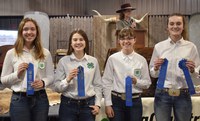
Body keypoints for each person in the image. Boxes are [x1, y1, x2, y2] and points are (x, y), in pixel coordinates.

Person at [1, 18, 54, 121]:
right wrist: (17, 74)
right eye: (26, 29)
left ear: (37, 32)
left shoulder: (45, 53)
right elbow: (3, 80)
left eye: (32, 29)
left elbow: (51, 76)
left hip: (40, 99)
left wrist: (43, 82)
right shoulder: (11, 53)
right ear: (21, 32)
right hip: (19, 100)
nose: (29, 32)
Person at [149, 13, 200, 121]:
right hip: (162, 94)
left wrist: (192, 70)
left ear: (183, 26)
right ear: (167, 27)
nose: (175, 26)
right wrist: (156, 68)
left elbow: (197, 74)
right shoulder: (159, 47)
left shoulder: (191, 47)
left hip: (183, 93)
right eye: (171, 23)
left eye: (178, 23)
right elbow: (153, 73)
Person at [102, 27, 151, 121]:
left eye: (129, 38)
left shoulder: (141, 60)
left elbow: (147, 83)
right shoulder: (112, 59)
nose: (126, 41)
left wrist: (137, 81)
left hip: (135, 101)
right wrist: (108, 104)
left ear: (134, 40)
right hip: (116, 101)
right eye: (123, 39)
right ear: (119, 41)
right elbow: (106, 82)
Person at [53, 29, 102, 121]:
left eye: (81, 39)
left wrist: (98, 104)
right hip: (68, 105)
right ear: (71, 44)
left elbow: (98, 85)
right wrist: (67, 79)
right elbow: (57, 88)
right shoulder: (63, 62)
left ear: (85, 42)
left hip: (88, 105)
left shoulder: (93, 61)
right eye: (75, 40)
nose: (78, 42)